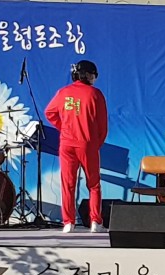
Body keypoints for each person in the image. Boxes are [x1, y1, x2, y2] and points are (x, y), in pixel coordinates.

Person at [45, 60, 109, 233]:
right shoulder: (95, 94)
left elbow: (49, 112)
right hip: (87, 144)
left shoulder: (63, 92)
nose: (94, 79)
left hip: (67, 143)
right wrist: (96, 143)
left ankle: (68, 222)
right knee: (93, 185)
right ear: (87, 75)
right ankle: (95, 222)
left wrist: (64, 127)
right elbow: (103, 125)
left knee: (68, 184)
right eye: (93, 75)